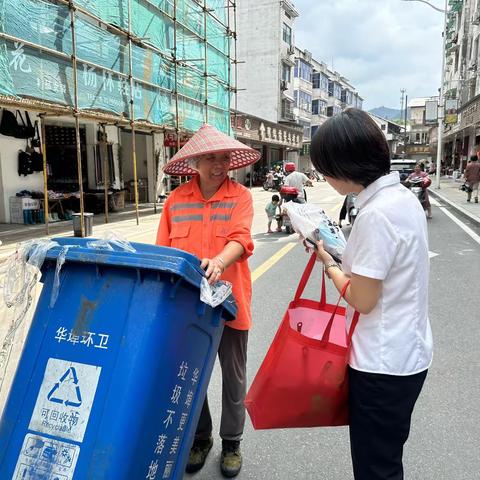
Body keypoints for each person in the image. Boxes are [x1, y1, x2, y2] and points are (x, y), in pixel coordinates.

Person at [310, 108, 432, 480]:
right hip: (406, 353)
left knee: (375, 468)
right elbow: (381, 267)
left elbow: (362, 299)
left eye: (325, 167)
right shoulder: (402, 199)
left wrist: (328, 264)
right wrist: (341, 253)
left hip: (382, 364)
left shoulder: (376, 215)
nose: (324, 177)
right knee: (385, 458)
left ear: (344, 166)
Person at [156, 124, 260, 478]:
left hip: (230, 305)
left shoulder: (241, 197)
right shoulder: (175, 202)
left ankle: (232, 442)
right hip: (188, 308)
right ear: (196, 161)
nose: (219, 164)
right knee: (190, 376)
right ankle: (201, 438)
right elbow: (163, 254)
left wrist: (218, 261)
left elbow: (241, 240)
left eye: (224, 158)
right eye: (211, 158)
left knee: (233, 378)